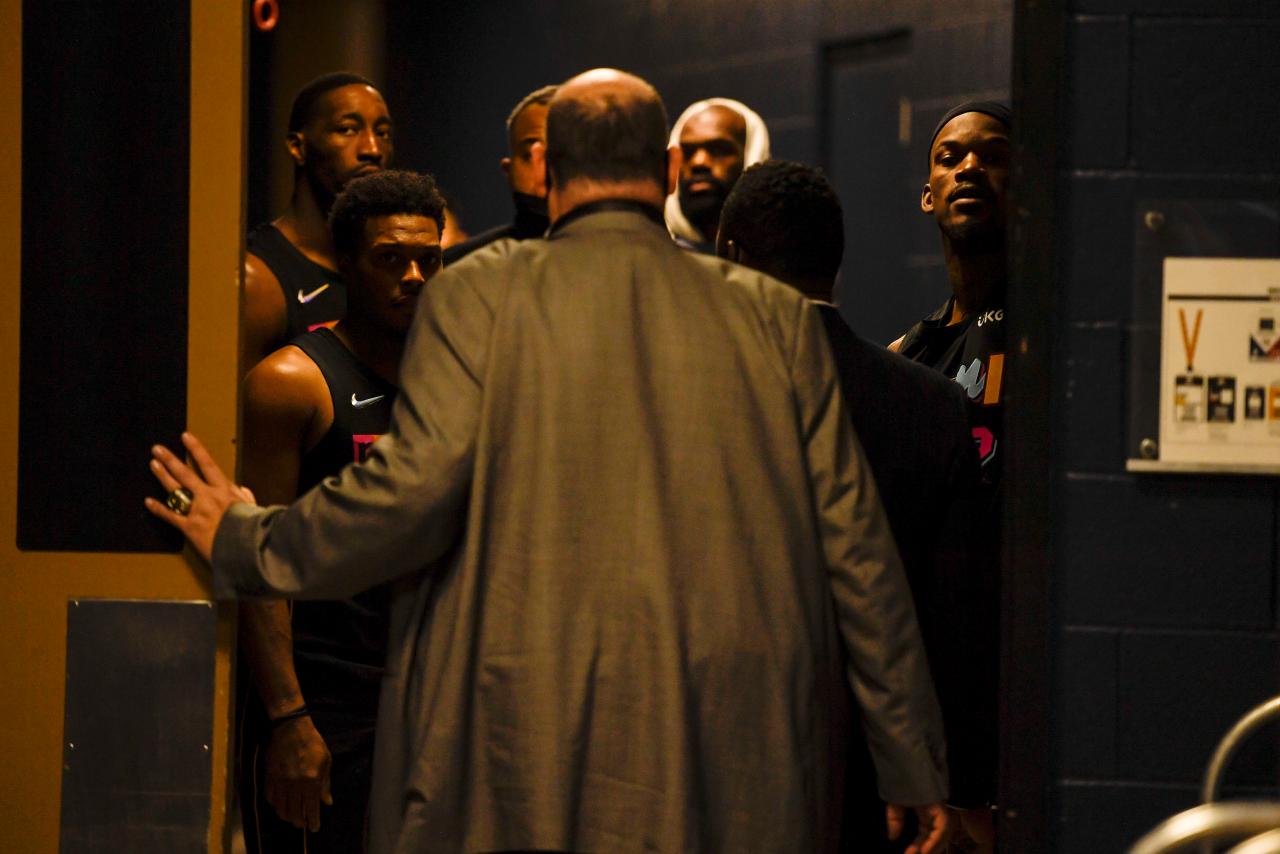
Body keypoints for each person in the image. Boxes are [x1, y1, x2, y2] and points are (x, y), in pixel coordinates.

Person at [147, 68, 950, 854]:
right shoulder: (771, 316)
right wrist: (910, 759)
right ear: (667, 172)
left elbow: (403, 501)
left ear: (553, 174)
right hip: (720, 745)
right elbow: (857, 550)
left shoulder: (478, 295)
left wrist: (243, 540)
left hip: (520, 738)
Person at [718, 160, 997, 853]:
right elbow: (956, 618)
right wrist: (957, 784)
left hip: (721, 760)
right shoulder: (933, 407)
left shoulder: (698, 401)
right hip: (879, 781)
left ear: (730, 257)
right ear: (834, 263)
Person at [237, 170, 446, 853]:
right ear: (347, 265)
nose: (413, 275)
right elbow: (260, 565)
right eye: (391, 259)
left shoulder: (455, 385)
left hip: (424, 700)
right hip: (326, 705)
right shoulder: (292, 383)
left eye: (427, 258)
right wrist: (288, 718)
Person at [891, 101, 1010, 496]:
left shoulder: (1048, 330)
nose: (970, 167)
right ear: (928, 196)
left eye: (992, 156)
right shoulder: (908, 354)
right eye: (949, 158)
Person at [242, 72, 395, 372]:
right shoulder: (260, 280)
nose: (372, 150)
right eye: (347, 130)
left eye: (383, 133)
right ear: (299, 147)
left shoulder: (384, 270)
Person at [443, 84, 557, 264]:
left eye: (561, 154)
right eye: (529, 155)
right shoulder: (458, 267)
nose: (546, 170)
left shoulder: (615, 258)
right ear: (508, 170)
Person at [663, 97, 769, 253]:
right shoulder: (651, 257)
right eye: (687, 153)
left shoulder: (783, 258)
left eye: (719, 151)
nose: (699, 163)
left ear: (754, 156)